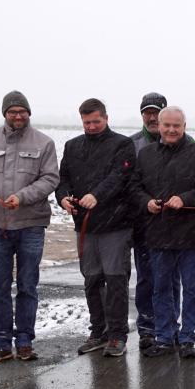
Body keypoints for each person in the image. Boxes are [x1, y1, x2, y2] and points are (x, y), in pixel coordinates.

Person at [0, 91, 59, 364]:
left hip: (31, 225)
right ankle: (1, 343)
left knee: (28, 285)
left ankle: (25, 341)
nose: (18, 116)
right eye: (12, 111)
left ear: (29, 113)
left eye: (22, 111)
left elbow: (50, 178)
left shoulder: (44, 143)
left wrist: (24, 197)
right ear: (4, 113)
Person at [130, 106, 195, 359]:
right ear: (159, 125)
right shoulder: (146, 155)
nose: (170, 130)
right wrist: (146, 202)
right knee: (161, 288)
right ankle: (165, 336)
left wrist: (185, 198)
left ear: (184, 127)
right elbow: (134, 187)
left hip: (189, 234)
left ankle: (187, 337)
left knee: (191, 288)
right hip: (157, 232)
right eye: (166, 125)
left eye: (176, 126)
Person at [56, 98, 136, 357]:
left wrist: (97, 195)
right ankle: (98, 331)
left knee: (115, 280)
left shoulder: (122, 145)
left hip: (115, 224)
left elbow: (119, 177)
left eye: (96, 121)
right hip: (85, 227)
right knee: (91, 280)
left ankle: (116, 334)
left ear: (106, 118)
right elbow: (63, 178)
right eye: (86, 122)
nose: (91, 126)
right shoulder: (72, 146)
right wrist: (63, 197)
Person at [129, 92, 182, 350]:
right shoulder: (132, 145)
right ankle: (147, 327)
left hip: (175, 227)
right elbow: (130, 184)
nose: (151, 117)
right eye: (147, 112)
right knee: (146, 278)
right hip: (143, 225)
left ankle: (171, 326)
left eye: (156, 112)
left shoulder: (184, 142)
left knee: (172, 280)